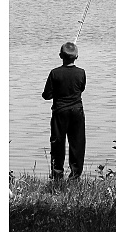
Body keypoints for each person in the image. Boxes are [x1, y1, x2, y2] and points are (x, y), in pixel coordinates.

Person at [42, 42, 86, 181]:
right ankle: (75, 176)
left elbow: (46, 95)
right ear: (76, 56)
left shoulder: (55, 73)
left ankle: (57, 176)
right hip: (77, 111)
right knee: (77, 144)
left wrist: (57, 91)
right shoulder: (81, 73)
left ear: (60, 56)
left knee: (57, 143)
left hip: (60, 112)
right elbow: (81, 89)